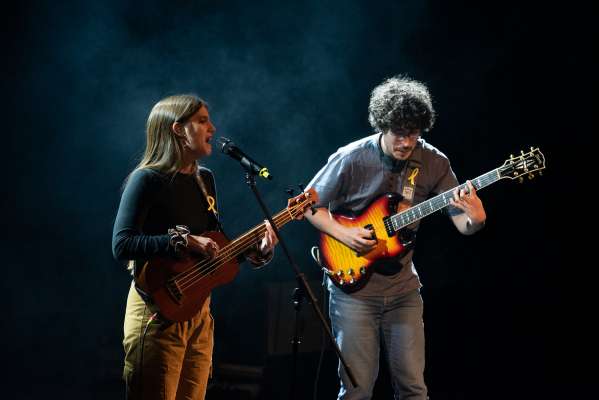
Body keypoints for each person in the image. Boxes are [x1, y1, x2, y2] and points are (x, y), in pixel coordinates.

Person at [305, 76, 486, 399]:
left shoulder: (434, 162)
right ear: (382, 126)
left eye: (413, 134)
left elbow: (462, 224)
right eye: (399, 134)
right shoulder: (351, 157)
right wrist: (344, 233)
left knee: (414, 389)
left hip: (403, 290)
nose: (406, 142)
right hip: (353, 291)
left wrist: (476, 218)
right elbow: (306, 206)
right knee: (357, 390)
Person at [112, 94, 277, 400]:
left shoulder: (205, 180)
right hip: (157, 310)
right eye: (202, 121)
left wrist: (257, 251)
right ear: (177, 129)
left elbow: (213, 249)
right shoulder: (146, 180)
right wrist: (184, 239)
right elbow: (122, 245)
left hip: (198, 312)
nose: (212, 128)